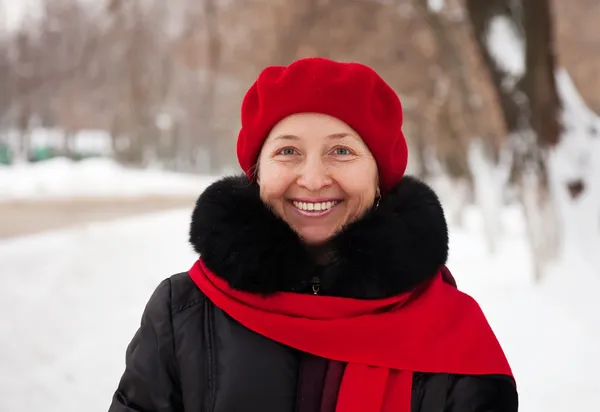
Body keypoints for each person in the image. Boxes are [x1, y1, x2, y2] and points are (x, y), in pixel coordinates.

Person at [108, 57, 518, 412]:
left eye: (342, 151)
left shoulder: (451, 331)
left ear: (379, 177)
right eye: (288, 152)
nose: (314, 178)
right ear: (257, 172)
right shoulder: (182, 313)